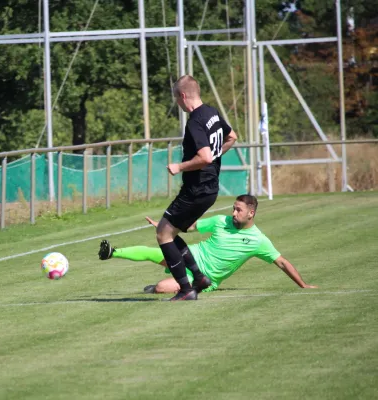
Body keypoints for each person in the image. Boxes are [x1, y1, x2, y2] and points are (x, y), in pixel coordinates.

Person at [99, 195, 317, 296]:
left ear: (251, 213)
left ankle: (156, 287)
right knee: (151, 252)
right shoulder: (221, 221)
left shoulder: (258, 240)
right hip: (190, 256)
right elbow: (191, 227)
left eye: (238, 210)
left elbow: (281, 262)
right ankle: (113, 252)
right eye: (233, 208)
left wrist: (303, 285)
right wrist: (166, 225)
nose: (233, 213)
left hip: (204, 279)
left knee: (160, 288)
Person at [156, 75, 238, 301]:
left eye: (177, 99)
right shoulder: (211, 113)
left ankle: (186, 290)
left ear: (183, 96)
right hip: (210, 189)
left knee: (163, 234)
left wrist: (179, 166)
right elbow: (232, 137)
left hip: (196, 189)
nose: (178, 104)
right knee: (170, 232)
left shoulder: (194, 121)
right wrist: (215, 155)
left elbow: (204, 157)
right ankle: (199, 278)